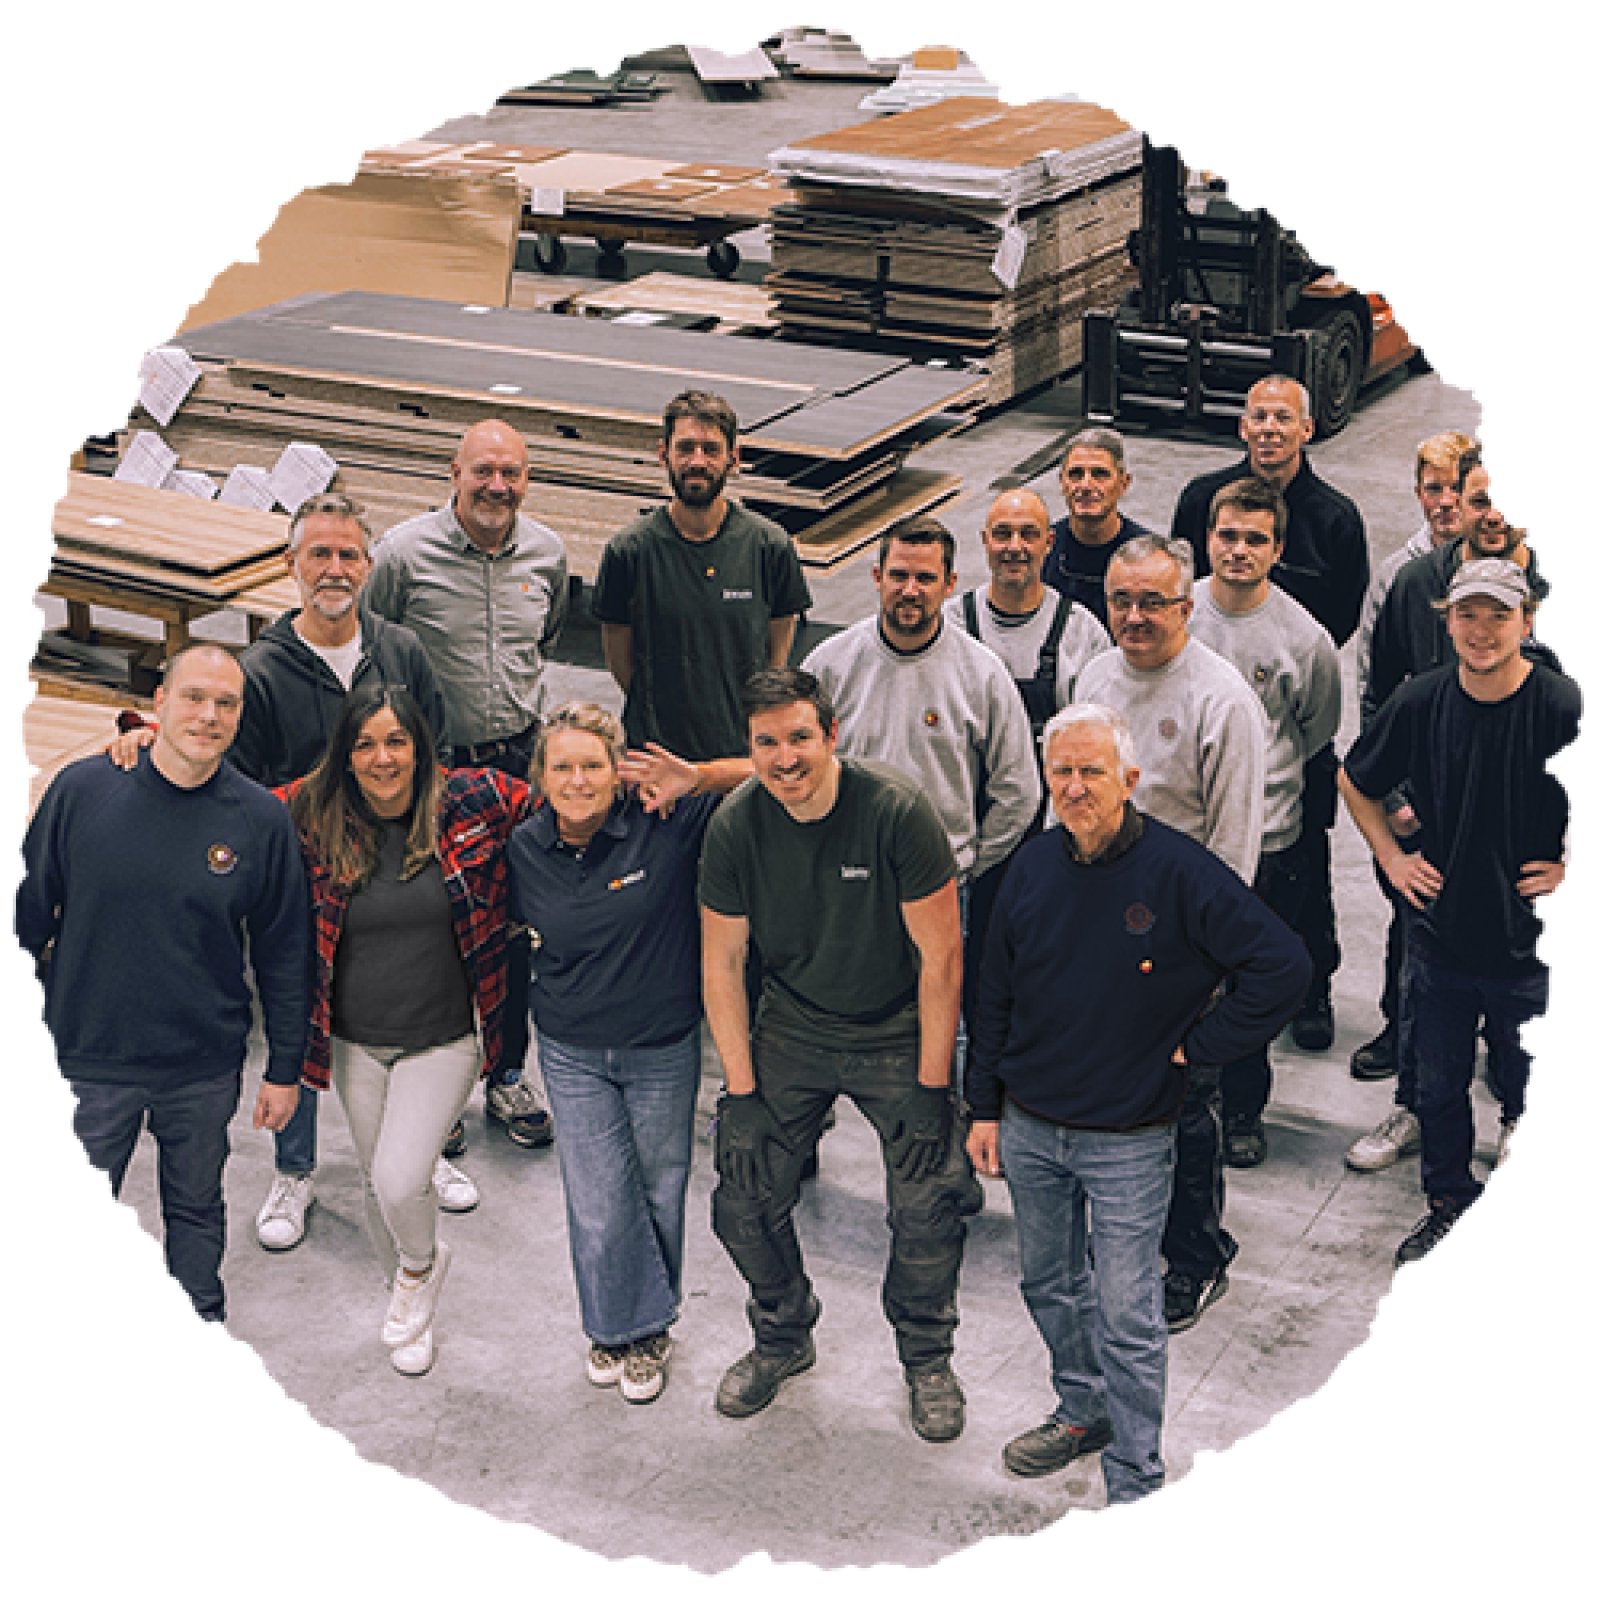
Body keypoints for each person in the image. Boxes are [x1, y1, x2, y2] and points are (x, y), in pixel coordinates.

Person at [966, 704, 1309, 1504]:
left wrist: (1204, 1045)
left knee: (1128, 1314)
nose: (1074, 787)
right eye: (1061, 771)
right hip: (1031, 1127)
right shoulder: (1031, 867)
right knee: (1048, 1285)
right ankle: (1083, 1410)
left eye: (1092, 771)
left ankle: (1136, 1476)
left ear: (1130, 779)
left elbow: (1284, 966)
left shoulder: (1181, 873)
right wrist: (983, 1107)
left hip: (1128, 1138)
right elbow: (994, 993)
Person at [698, 667, 978, 1443]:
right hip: (794, 1025)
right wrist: (740, 1094)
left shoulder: (895, 812)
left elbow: (942, 957)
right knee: (741, 1198)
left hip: (896, 1026)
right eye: (766, 743)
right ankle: (783, 1333)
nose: (785, 758)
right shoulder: (736, 825)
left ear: (831, 735)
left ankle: (927, 1357)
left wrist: (932, 1088)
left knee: (929, 1203)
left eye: (799, 738)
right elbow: (722, 963)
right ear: (749, 747)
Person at [16, 642, 309, 1324]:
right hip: (88, 1059)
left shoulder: (259, 820)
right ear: (158, 703)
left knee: (197, 1209)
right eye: (194, 697)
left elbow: (285, 953)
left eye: (226, 704)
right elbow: (25, 918)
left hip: (200, 1066)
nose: (208, 715)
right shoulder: (82, 792)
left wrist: (285, 1068)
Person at [225, 490, 465, 1253]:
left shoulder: (402, 651)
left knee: (414, 1011)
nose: (335, 568)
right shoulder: (260, 672)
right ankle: (294, 1169)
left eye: (349, 554)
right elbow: (244, 794)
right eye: (319, 554)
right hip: (306, 888)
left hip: (399, 873)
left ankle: (419, 1156)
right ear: (291, 564)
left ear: (368, 565)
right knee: (298, 1020)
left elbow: (436, 758)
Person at [282, 684, 536, 1376]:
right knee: (377, 1185)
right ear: (345, 755)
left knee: (400, 1179)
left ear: (421, 748)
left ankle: (420, 1269)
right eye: (365, 744)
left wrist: (682, 781)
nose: (383, 758)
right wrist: (142, 739)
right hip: (354, 1041)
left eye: (397, 741)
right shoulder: (313, 811)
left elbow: (568, 802)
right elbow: (227, 803)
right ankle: (412, 1307)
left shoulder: (473, 800)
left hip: (444, 1038)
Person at [1338, 559, 1579, 1264]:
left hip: (1531, 947)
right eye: (1468, 614)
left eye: (1499, 615)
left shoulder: (1562, 705)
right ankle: (1449, 1206)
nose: (1482, 630)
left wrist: (1573, 868)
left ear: (1526, 623)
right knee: (1439, 1091)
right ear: (1447, 622)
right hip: (1440, 940)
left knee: (1531, 1089)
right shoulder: (1421, 700)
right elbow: (1355, 779)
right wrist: (1391, 857)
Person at [506, 704, 744, 1405]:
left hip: (661, 1043)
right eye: (562, 767)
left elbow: (772, 771)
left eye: (592, 765)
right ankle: (614, 1327)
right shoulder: (523, 846)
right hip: (571, 1047)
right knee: (600, 1197)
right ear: (540, 777)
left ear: (620, 773)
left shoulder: (663, 823)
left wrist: (697, 775)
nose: (578, 781)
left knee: (661, 1185)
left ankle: (649, 1332)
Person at [1074, 533, 1269, 1332]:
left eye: (1153, 602)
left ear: (1186, 606)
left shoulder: (1222, 702)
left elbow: (1234, 850)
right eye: (1122, 600)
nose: (1135, 616)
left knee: (1184, 1112)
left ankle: (1195, 1257)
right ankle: (1124, 1242)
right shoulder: (1094, 677)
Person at [1349, 449, 1557, 1172]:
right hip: (1434, 838)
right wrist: (1394, 821)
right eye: (1478, 499)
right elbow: (1380, 697)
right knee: (1423, 983)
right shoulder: (1415, 586)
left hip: (1527, 851)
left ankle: (1524, 1121)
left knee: (1529, 1001)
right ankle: (1415, 1105)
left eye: (1507, 498)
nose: (1492, 513)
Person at [364, 418, 569, 1152]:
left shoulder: (547, 554)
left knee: (512, 925)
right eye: (483, 470)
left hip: (517, 765)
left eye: (511, 473)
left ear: (527, 480)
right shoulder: (401, 555)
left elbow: (546, 639)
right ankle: (438, 1089)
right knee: (437, 928)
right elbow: (372, 645)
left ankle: (507, 1072)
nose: (497, 486)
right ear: (454, 472)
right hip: (434, 771)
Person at [1171, 374, 1369, 1051]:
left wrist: (1273, 659)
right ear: (1242, 425)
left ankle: (1311, 990)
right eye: (1258, 415)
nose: (1269, 429)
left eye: (1283, 417)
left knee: (1302, 878)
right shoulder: (1201, 499)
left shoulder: (1335, 519)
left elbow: (1337, 629)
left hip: (1290, 735)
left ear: (1306, 429)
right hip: (1200, 755)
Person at [1189, 477, 1342, 1166]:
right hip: (1183, 840)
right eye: (1228, 535)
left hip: (1268, 841)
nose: (1239, 550)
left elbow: (1313, 731)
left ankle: (1243, 1111)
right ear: (1207, 539)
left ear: (1278, 549)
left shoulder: (1303, 639)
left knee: (1246, 986)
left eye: (1256, 539)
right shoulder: (1177, 613)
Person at [1348, 431, 1476, 1085]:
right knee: (1411, 918)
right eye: (1433, 488)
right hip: (1418, 798)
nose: (1445, 501)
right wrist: (1393, 797)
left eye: (1458, 488)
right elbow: (1374, 692)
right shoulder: (1399, 578)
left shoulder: (1515, 571)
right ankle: (1400, 1031)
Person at [591, 388, 813, 762]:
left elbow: (777, 651)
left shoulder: (769, 547)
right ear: (663, 454)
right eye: (685, 448)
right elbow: (619, 658)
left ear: (733, 459)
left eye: (710, 450)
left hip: (741, 756)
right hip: (656, 758)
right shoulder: (629, 552)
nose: (697, 461)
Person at [1042, 427, 1156, 631]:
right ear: (1062, 482)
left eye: (1099, 474)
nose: (1086, 485)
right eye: (1076, 474)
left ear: (1124, 483)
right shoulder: (1041, 548)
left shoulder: (1151, 556)